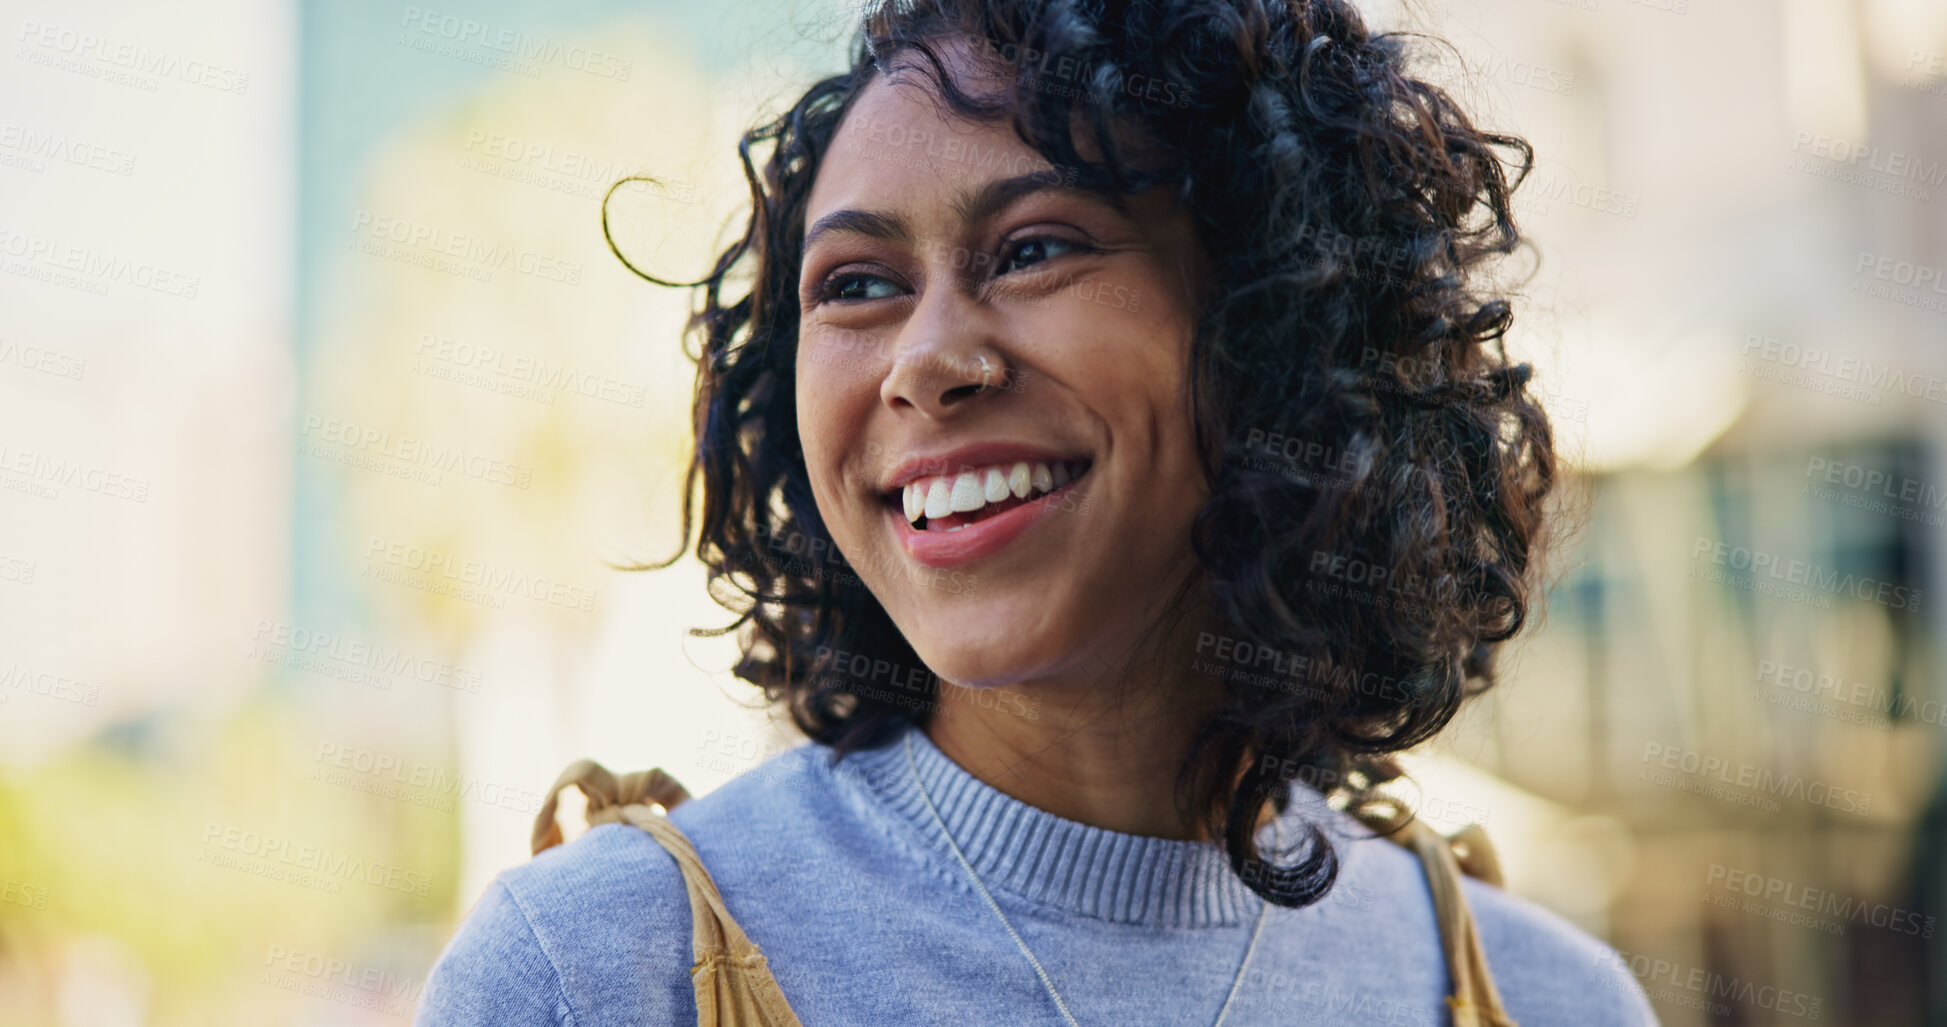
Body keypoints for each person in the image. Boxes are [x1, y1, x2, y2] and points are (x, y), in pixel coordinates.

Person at [415, 0, 1658, 1022]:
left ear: (1278, 326)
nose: (924, 359)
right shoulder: (595, 975)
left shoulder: (1542, 998)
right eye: (854, 286)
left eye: (1031, 249)